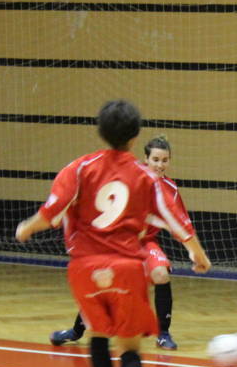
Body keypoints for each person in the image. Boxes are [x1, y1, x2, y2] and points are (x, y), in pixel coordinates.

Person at [16, 100, 211, 367]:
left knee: (98, 336)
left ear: (100, 131)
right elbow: (176, 221)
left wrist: (27, 228)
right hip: (126, 267)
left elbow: (51, 211)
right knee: (131, 347)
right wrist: (197, 253)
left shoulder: (80, 168)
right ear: (135, 138)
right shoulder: (145, 177)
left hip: (84, 268)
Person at [50, 135, 191, 350]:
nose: (160, 165)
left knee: (161, 274)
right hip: (119, 242)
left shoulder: (170, 189)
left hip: (145, 242)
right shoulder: (132, 178)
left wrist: (191, 247)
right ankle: (77, 330)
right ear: (146, 159)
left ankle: (163, 333)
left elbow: (180, 222)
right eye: (155, 159)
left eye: (164, 160)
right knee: (104, 281)